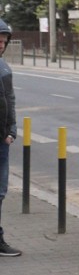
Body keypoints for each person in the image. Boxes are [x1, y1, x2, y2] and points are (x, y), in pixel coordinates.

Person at [0, 19, 20, 257]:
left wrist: (11, 130)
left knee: (0, 192)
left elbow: (10, 101)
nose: (1, 44)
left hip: (1, 140)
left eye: (4, 41)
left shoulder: (4, 68)